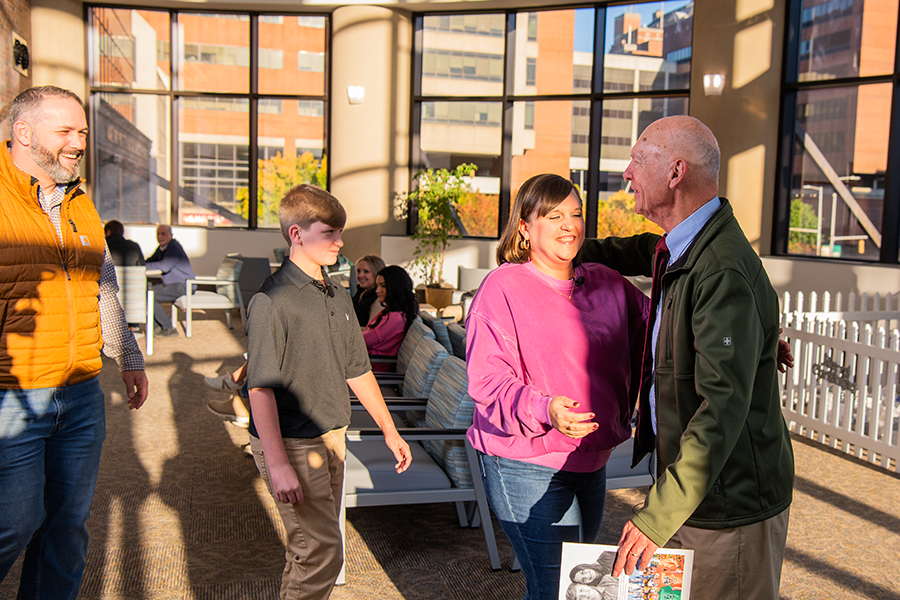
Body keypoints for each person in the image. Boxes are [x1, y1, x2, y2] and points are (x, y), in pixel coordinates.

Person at [581, 115, 794, 599]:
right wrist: (567, 247)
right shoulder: (684, 246)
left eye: (638, 159)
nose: (627, 172)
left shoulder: (720, 271)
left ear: (676, 172)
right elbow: (640, 251)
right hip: (695, 493)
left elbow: (721, 410)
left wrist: (657, 516)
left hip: (727, 503)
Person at [465, 173, 648, 600]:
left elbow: (664, 327)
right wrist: (544, 408)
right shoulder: (504, 287)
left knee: (576, 587)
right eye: (553, 216)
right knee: (554, 591)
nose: (569, 225)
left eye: (576, 214)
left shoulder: (607, 281)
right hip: (525, 462)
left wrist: (758, 340)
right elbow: (488, 381)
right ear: (525, 228)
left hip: (592, 460)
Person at [0, 85, 148, 599]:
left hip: (82, 393)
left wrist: (128, 355)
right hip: (13, 395)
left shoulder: (81, 203)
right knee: (14, 521)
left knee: (66, 529)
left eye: (82, 132)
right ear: (23, 133)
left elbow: (102, 286)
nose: (79, 142)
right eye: (65, 131)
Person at [245, 183, 412, 600]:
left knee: (311, 551)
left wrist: (390, 430)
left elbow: (358, 370)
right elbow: (260, 388)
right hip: (293, 442)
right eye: (329, 232)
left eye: (340, 232)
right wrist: (278, 464)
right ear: (296, 234)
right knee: (321, 554)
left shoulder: (336, 295)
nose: (339, 242)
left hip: (333, 436)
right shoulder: (272, 300)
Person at [145, 223, 195, 336]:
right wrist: (137, 263)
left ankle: (168, 328)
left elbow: (164, 266)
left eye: (163, 234)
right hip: (173, 285)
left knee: (149, 296)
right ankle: (156, 328)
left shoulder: (173, 247)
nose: (160, 236)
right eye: (158, 234)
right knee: (145, 293)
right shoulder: (162, 248)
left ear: (171, 235)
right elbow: (150, 261)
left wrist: (141, 266)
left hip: (183, 286)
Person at [362, 265, 418, 361]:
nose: (377, 290)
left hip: (374, 364)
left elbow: (362, 341)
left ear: (396, 287)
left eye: (383, 286)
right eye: (377, 286)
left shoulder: (395, 318)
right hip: (367, 361)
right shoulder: (391, 312)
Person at [352, 254, 386, 326]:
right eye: (358, 271)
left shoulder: (379, 299)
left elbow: (372, 329)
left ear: (377, 273)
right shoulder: (360, 293)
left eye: (366, 271)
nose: (360, 275)